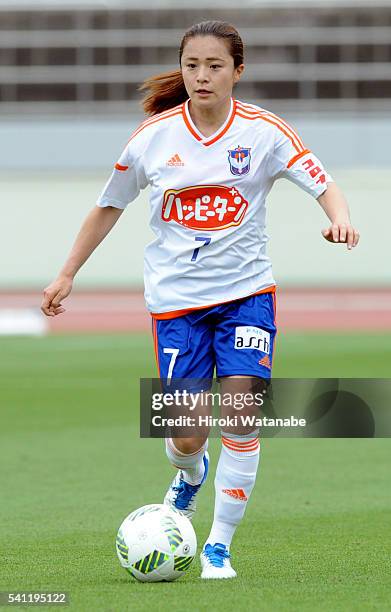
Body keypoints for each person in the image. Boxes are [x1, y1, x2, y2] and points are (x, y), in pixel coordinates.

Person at [41, 20, 360, 580]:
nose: (202, 76)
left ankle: (218, 546)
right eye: (193, 65)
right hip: (176, 305)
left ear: (238, 71)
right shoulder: (153, 137)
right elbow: (108, 206)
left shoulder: (264, 132)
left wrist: (340, 219)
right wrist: (66, 274)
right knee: (186, 436)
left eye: (215, 66)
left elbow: (323, 181)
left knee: (241, 412)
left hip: (246, 297)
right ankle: (191, 475)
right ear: (182, 69)